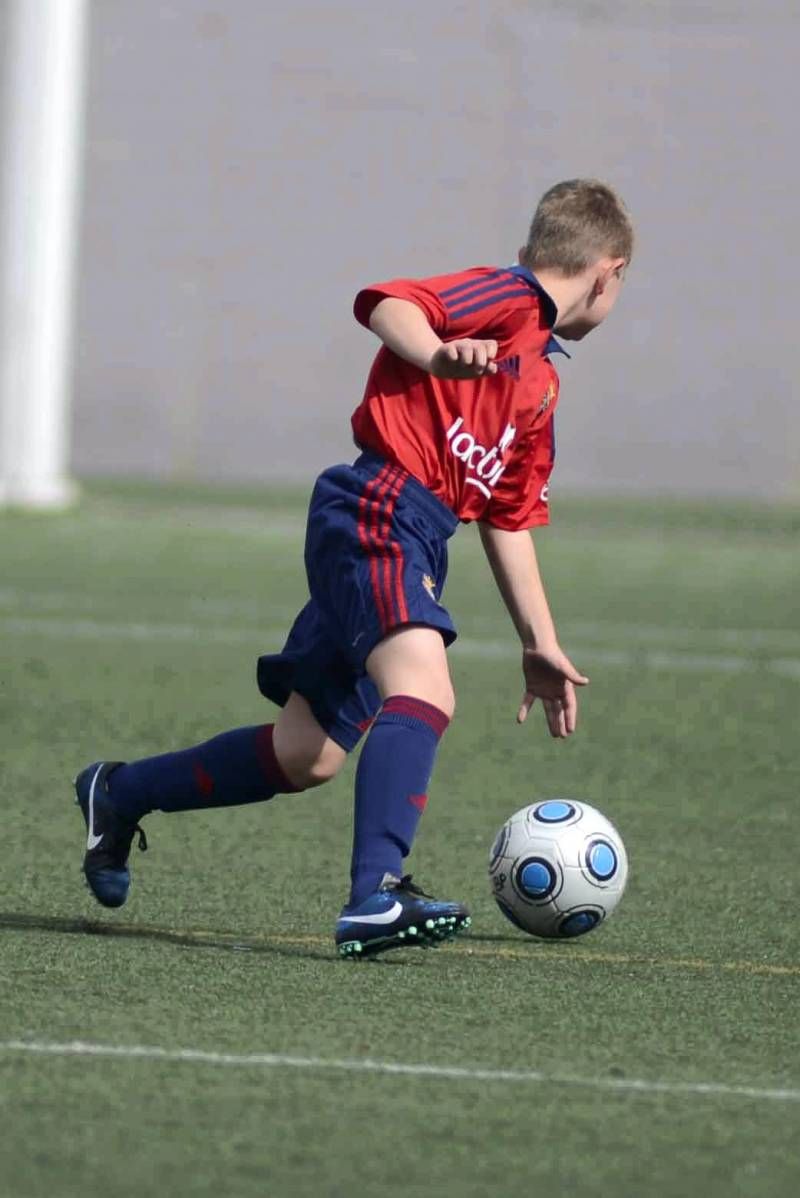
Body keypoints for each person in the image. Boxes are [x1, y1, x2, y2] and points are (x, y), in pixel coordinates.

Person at [74, 178, 634, 959]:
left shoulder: (538, 381)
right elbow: (389, 303)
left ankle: (120, 792)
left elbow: (507, 517)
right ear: (609, 272)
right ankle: (375, 894)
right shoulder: (510, 297)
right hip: (379, 506)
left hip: (415, 533)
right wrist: (439, 352)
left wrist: (538, 641)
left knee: (307, 754)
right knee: (426, 687)